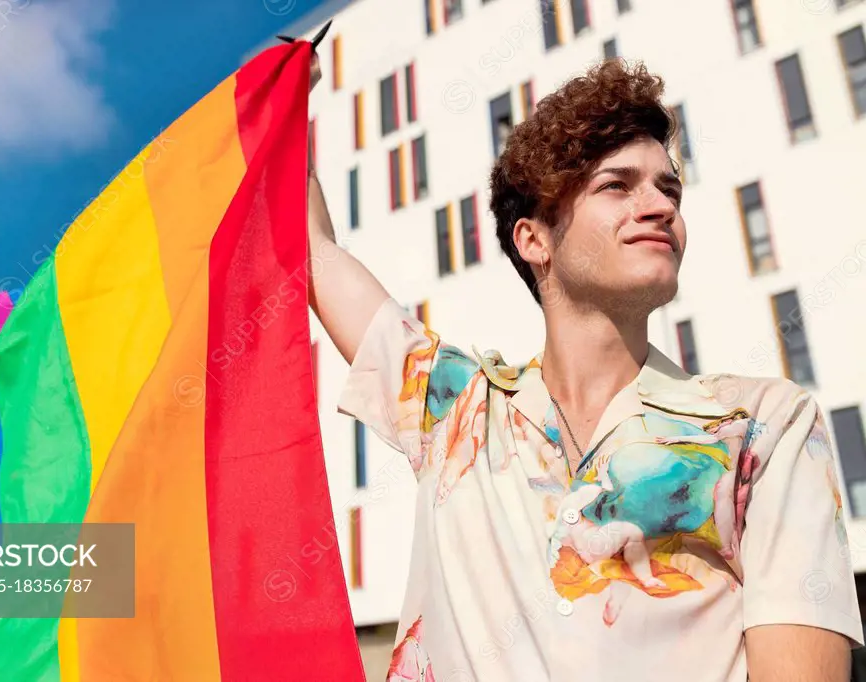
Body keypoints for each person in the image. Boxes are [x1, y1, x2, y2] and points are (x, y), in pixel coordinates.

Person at [306, 55, 863, 681]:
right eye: (616, 186)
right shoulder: (456, 410)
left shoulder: (762, 426)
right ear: (534, 240)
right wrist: (284, 80)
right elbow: (315, 251)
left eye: (668, 188)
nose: (660, 206)